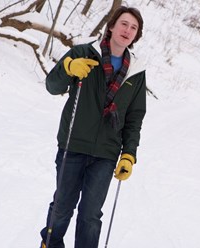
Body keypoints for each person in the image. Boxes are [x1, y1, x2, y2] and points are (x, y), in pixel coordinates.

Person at [39, 6, 146, 248]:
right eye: (124, 24)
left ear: (136, 35)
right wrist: (68, 69)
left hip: (106, 154)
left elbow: (135, 117)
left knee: (90, 216)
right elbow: (52, 86)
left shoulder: (137, 72)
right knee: (63, 206)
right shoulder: (83, 52)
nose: (127, 30)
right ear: (111, 26)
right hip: (73, 144)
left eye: (133, 27)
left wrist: (129, 153)